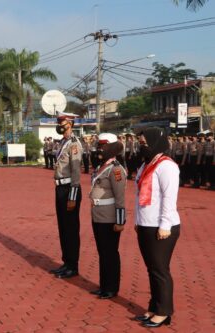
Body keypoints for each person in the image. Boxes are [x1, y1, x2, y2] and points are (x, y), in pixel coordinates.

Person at [134, 127, 181, 328]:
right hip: (145, 223)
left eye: (144, 143)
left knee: (160, 270)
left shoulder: (166, 166)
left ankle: (164, 312)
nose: (141, 146)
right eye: (140, 143)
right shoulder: (146, 164)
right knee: (152, 269)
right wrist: (138, 220)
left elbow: (169, 199)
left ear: (155, 142)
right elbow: (139, 198)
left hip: (162, 226)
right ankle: (154, 307)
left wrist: (164, 225)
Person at [89, 133, 127, 299]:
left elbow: (120, 198)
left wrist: (120, 221)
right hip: (98, 215)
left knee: (110, 253)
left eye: (103, 146)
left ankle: (111, 288)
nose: (100, 148)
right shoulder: (102, 166)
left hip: (110, 217)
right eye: (99, 145)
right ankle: (104, 285)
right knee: (102, 252)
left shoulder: (116, 169)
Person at [49, 114, 82, 279]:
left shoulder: (74, 144)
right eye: (59, 122)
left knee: (71, 229)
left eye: (62, 123)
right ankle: (66, 262)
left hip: (70, 188)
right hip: (60, 188)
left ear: (70, 124)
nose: (60, 125)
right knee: (63, 227)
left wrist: (73, 197)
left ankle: (73, 266)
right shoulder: (63, 142)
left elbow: (76, 171)